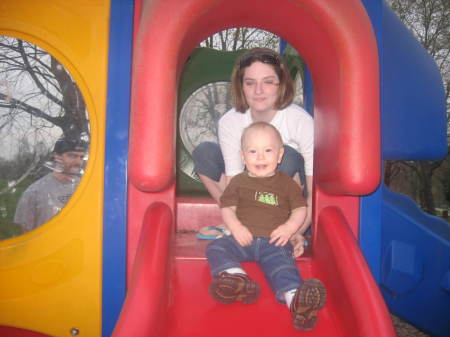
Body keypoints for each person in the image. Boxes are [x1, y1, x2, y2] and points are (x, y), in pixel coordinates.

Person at [192, 47, 314, 256]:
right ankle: (244, 225)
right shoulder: (230, 122)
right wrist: (237, 225)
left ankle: (277, 225)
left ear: (281, 84)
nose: (259, 91)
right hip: (246, 196)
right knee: (205, 153)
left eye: (268, 82)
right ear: (241, 86)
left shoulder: (300, 121)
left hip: (288, 202)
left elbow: (313, 192)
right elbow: (234, 182)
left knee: (288, 156)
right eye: (250, 83)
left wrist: (296, 231)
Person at [206, 122, 326, 331]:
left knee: (284, 269)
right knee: (216, 248)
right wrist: (235, 227)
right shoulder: (238, 182)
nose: (260, 157)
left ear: (279, 156)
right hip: (243, 239)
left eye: (267, 151)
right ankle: (238, 280)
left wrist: (290, 229)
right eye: (253, 151)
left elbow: (300, 209)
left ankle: (297, 304)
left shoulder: (286, 183)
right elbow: (227, 208)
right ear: (243, 157)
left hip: (275, 242)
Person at [14, 137, 87, 233]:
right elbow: (26, 236)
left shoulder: (87, 187)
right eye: (72, 156)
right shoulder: (34, 192)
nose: (78, 162)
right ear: (57, 156)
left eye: (81, 157)